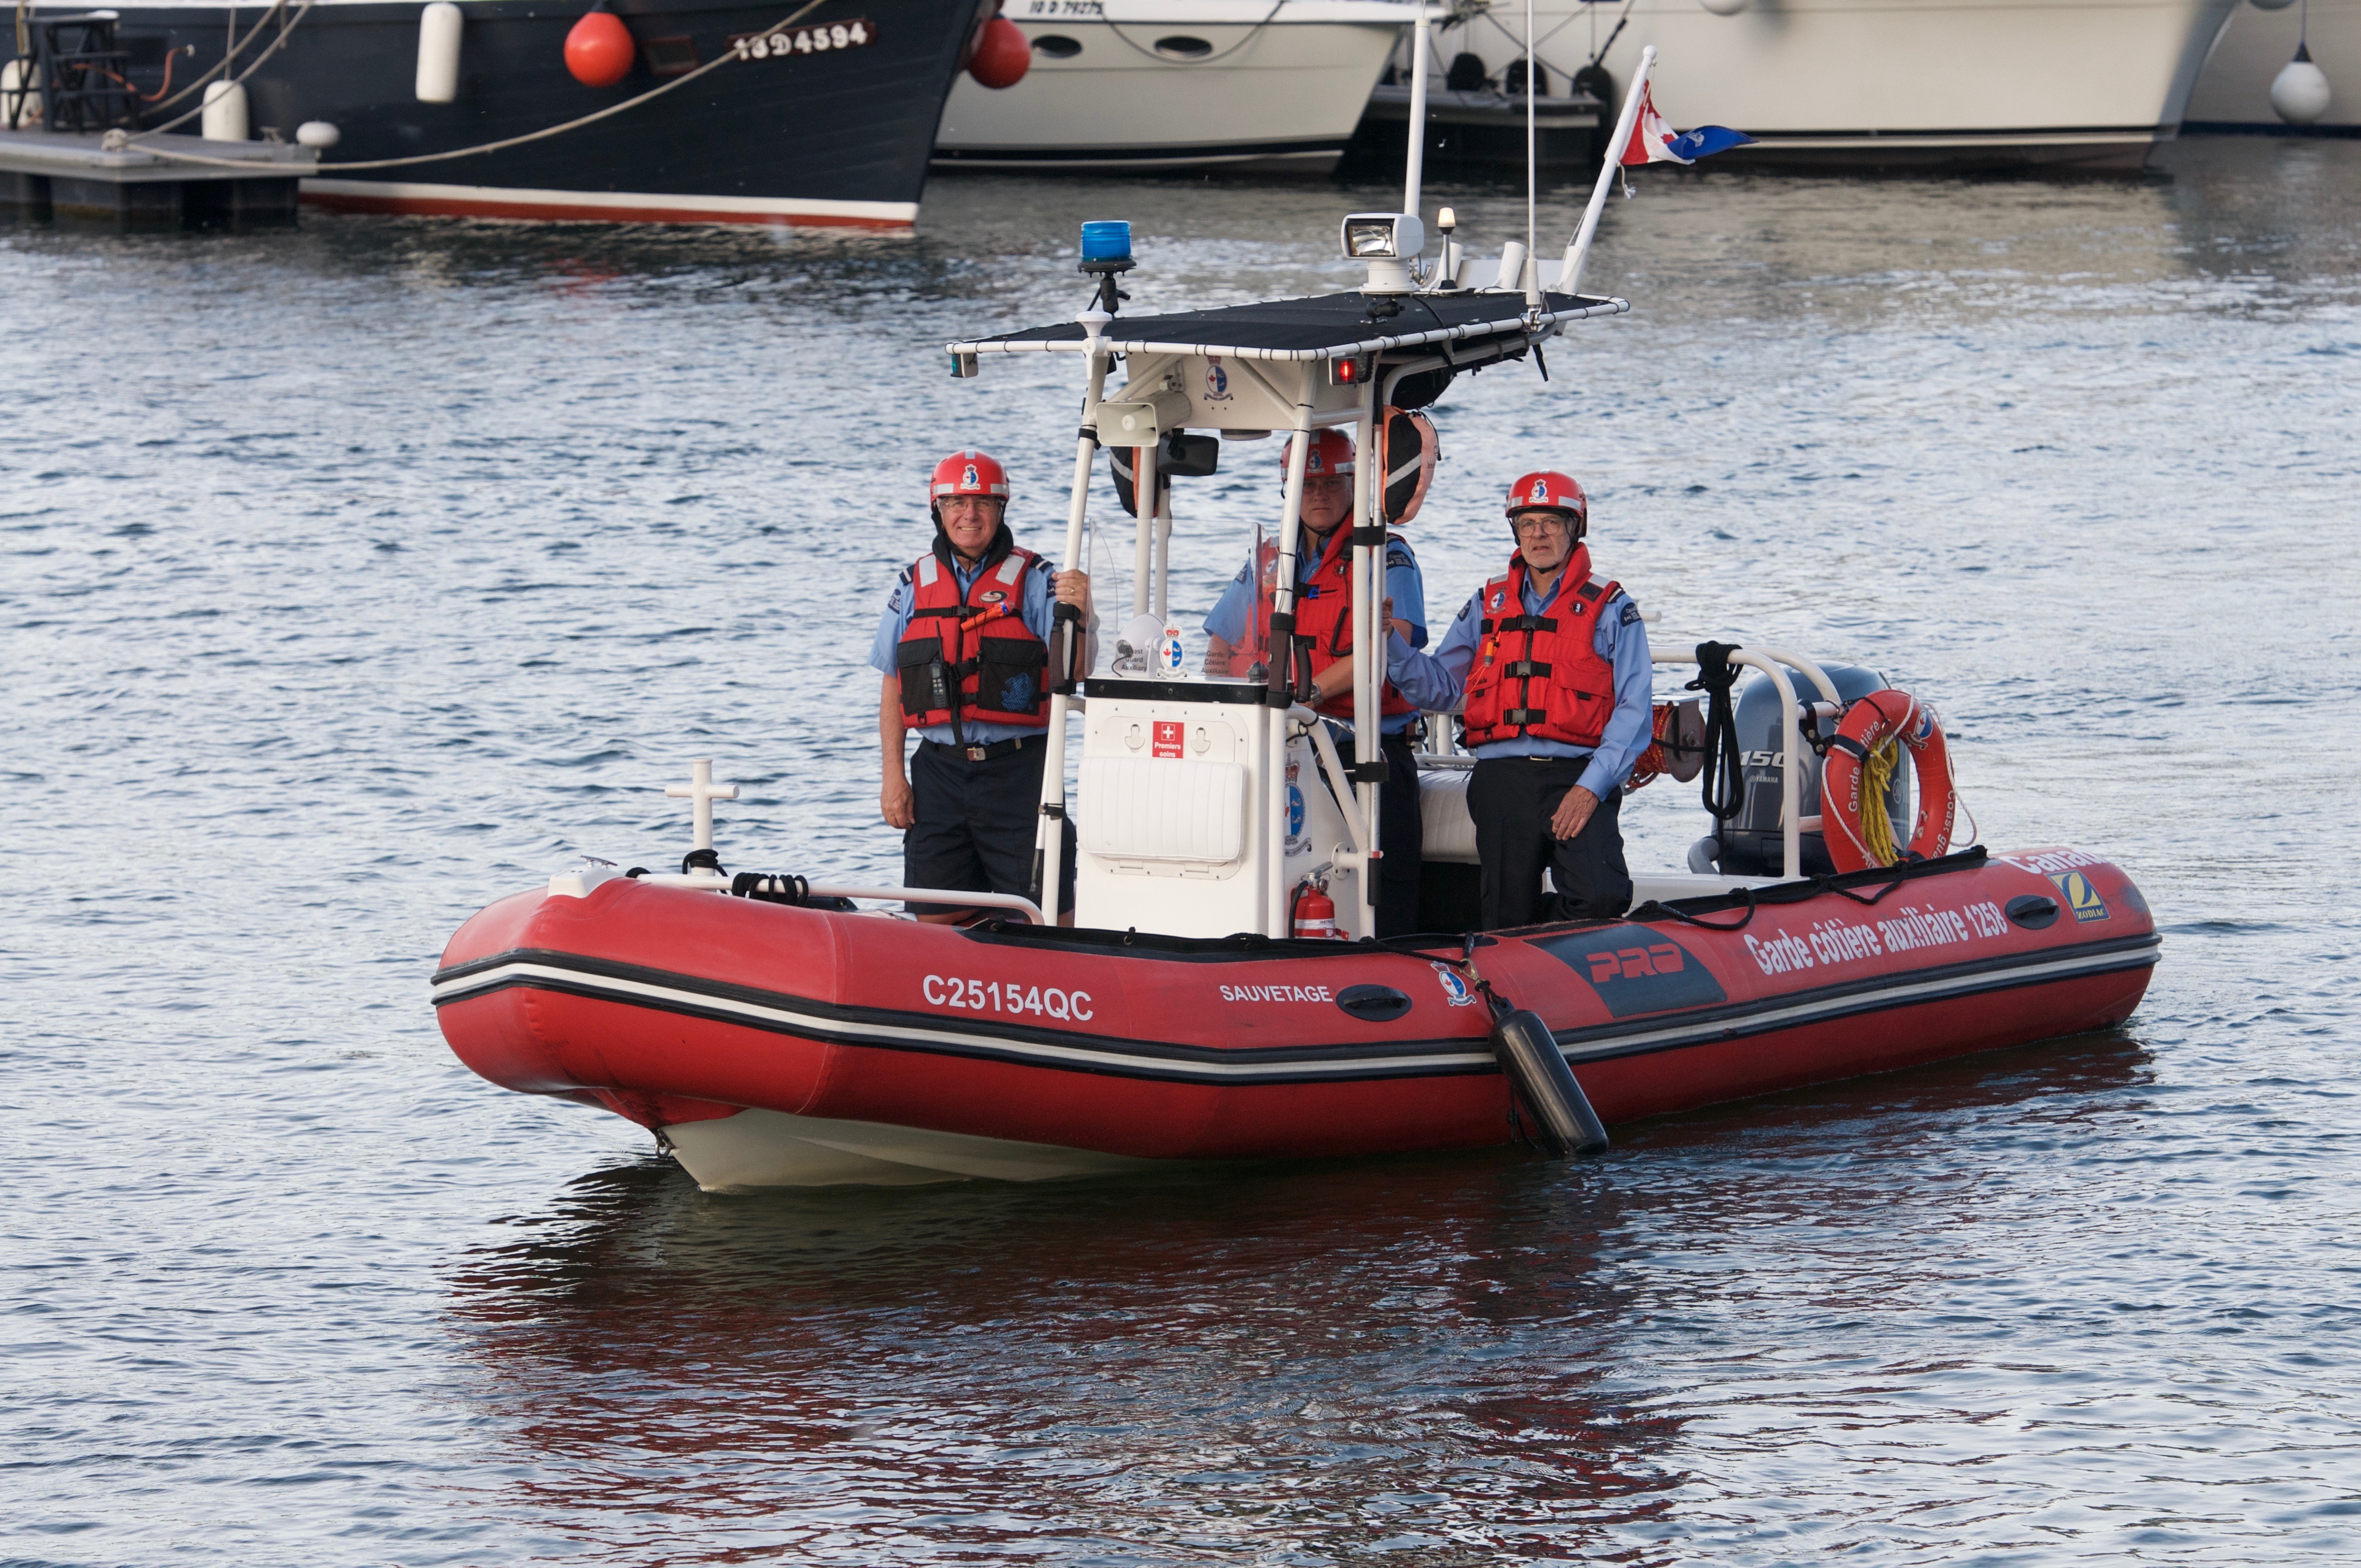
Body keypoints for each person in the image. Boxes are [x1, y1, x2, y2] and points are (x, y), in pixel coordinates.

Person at [1384, 470, 1651, 928]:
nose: (1538, 535)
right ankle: (1520, 969)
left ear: (1575, 528)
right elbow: (1443, 689)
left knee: (1602, 897)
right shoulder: (1487, 603)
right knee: (1506, 915)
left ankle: (1552, 949)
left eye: (1551, 522)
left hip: (1578, 774)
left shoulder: (1611, 607)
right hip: (1501, 780)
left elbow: (1634, 708)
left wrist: (1591, 789)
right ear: (1515, 531)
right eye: (1527, 523)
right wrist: (1387, 637)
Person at [1200, 428, 1430, 938]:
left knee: (1383, 884)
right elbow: (1220, 642)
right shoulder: (1267, 560)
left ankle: (1391, 966)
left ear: (1355, 484)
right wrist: (1226, 706)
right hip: (1280, 748)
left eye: (1331, 483)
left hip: (1366, 747)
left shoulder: (1385, 555)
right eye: (1306, 484)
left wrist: (1308, 697)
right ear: (1287, 489)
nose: (1319, 494)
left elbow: (1393, 646)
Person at [872, 450, 1090, 923]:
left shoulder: (1037, 582)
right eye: (956, 502)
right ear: (938, 510)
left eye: (983, 503)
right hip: (939, 776)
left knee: (1044, 918)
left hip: (1019, 772)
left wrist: (1083, 615)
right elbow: (894, 685)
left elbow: (1075, 672)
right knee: (937, 924)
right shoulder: (912, 585)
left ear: (1002, 510)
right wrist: (894, 776)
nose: (969, 515)